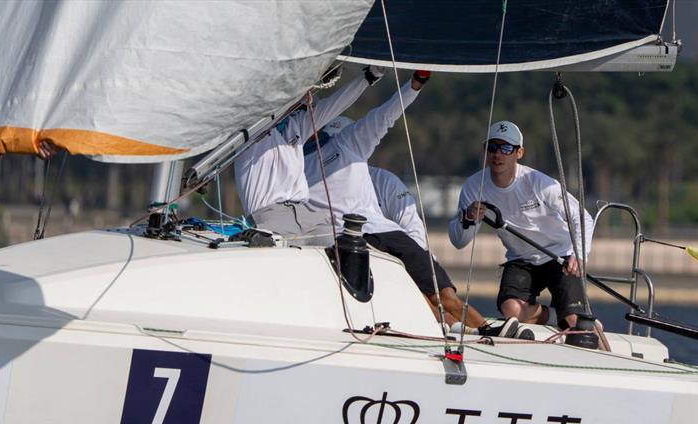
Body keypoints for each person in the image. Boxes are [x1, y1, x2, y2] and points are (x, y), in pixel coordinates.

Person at [303, 72, 499, 335]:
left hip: (387, 233)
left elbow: (385, 115)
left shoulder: (358, 154)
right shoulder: (299, 168)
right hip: (355, 239)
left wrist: (414, 85)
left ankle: (486, 329)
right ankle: (448, 327)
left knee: (444, 294)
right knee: (413, 289)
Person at [449, 120, 595, 335]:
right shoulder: (473, 186)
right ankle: (554, 316)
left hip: (560, 255)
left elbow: (583, 218)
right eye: (492, 147)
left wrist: (579, 255)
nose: (498, 154)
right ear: (485, 150)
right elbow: (458, 241)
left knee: (575, 321)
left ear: (519, 153)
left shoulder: (539, 182)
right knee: (512, 310)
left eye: (506, 148)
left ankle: (574, 320)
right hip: (521, 259)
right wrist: (469, 218)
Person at [233, 66, 384, 246]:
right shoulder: (252, 130)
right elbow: (264, 99)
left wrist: (368, 77)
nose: (309, 105)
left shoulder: (296, 125)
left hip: (307, 215)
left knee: (349, 249)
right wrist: (308, 82)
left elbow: (335, 105)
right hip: (270, 217)